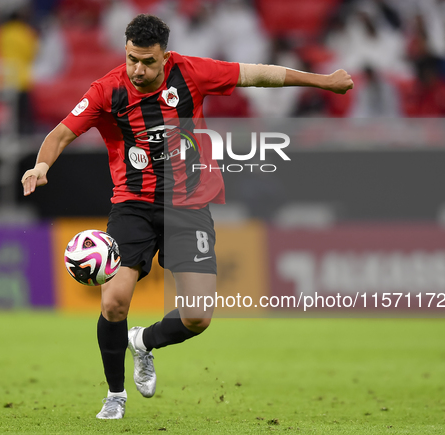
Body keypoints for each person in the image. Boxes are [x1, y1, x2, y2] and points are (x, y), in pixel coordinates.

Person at [21, 14, 353, 420]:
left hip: (188, 206)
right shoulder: (107, 90)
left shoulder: (191, 72)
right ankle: (115, 395)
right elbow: (60, 134)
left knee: (197, 317)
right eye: (131, 60)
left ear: (165, 56)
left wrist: (323, 81)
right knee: (113, 302)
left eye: (147, 61)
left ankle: (143, 342)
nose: (138, 69)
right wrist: (41, 166)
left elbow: (259, 74)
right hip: (133, 205)